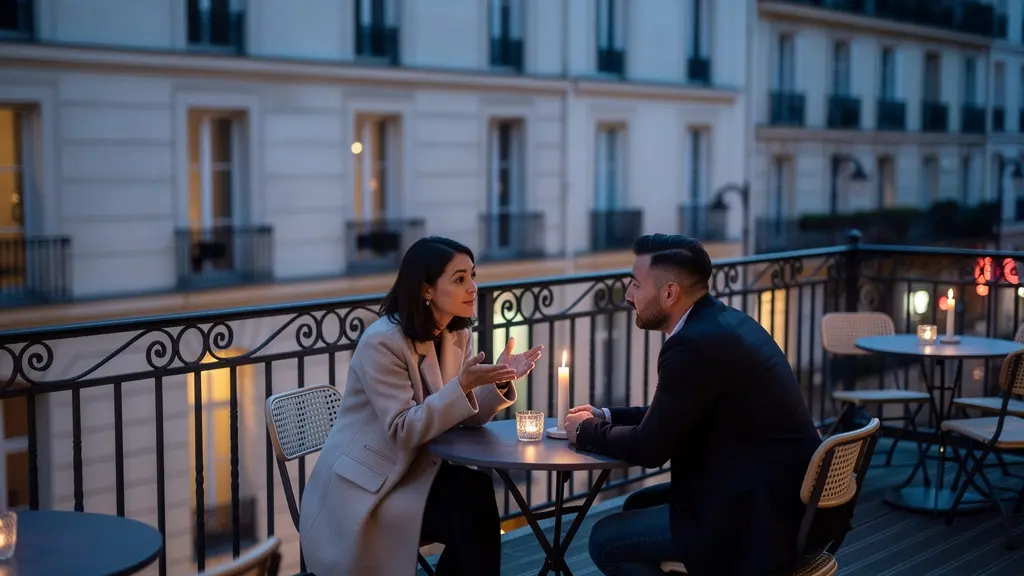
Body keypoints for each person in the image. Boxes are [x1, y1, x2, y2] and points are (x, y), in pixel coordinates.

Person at [565, 234, 843, 576]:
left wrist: (586, 431)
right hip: (789, 505)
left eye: (636, 284)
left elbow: (650, 447)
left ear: (669, 293)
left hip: (761, 524)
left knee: (604, 541)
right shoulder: (724, 322)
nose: (628, 295)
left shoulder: (692, 345)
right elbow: (674, 414)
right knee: (637, 503)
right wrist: (605, 415)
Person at [300, 236, 543, 576]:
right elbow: (403, 429)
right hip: (370, 486)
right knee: (470, 509)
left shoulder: (455, 335)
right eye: (459, 279)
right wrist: (463, 385)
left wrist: (499, 379)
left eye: (473, 275)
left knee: (477, 492)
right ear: (427, 289)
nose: (472, 287)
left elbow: (465, 414)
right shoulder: (383, 342)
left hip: (417, 470)